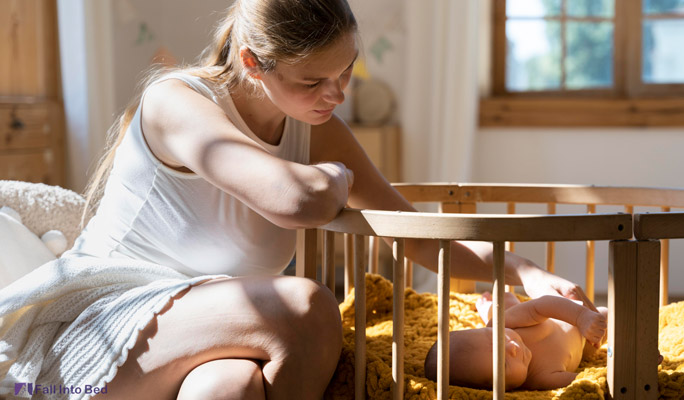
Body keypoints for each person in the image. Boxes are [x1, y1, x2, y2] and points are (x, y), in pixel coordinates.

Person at [0, 1, 595, 399]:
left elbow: (407, 229)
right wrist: (333, 174)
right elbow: (299, 201)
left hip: (211, 325)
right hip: (112, 311)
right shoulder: (175, 103)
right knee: (308, 306)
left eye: (346, 72)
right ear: (255, 63)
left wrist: (522, 268)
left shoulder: (313, 119)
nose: (335, 94)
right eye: (314, 80)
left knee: (230, 390)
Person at [424, 291, 608, 391]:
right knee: (607, 318)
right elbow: (582, 380)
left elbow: (542, 305)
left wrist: (581, 316)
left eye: (495, 338)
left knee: (507, 307)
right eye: (503, 364)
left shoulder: (506, 326)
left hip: (564, 312)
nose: (512, 347)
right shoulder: (539, 379)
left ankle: (487, 308)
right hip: (585, 344)